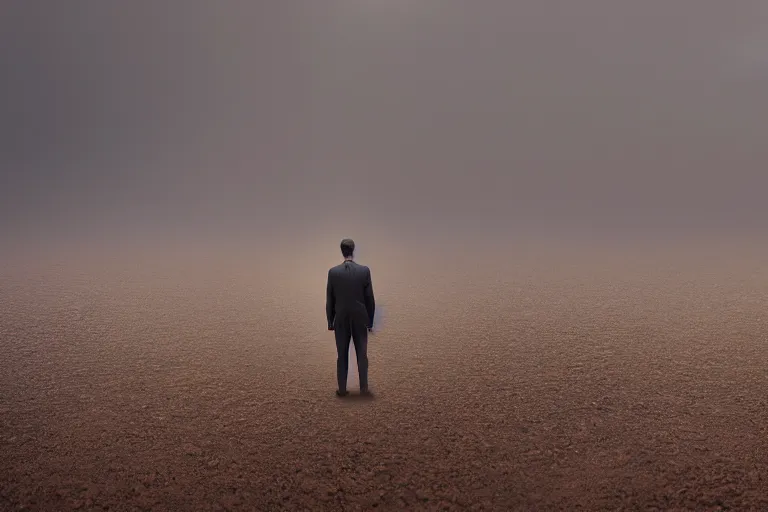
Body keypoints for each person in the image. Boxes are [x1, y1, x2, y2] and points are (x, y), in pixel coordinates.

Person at [326, 238, 375, 397]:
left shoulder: (333, 272)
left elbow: (330, 299)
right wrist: (370, 321)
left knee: (342, 354)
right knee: (362, 353)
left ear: (342, 251)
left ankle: (341, 389)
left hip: (340, 317)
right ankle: (364, 388)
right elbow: (369, 299)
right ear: (353, 250)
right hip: (360, 317)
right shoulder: (364, 271)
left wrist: (330, 321)